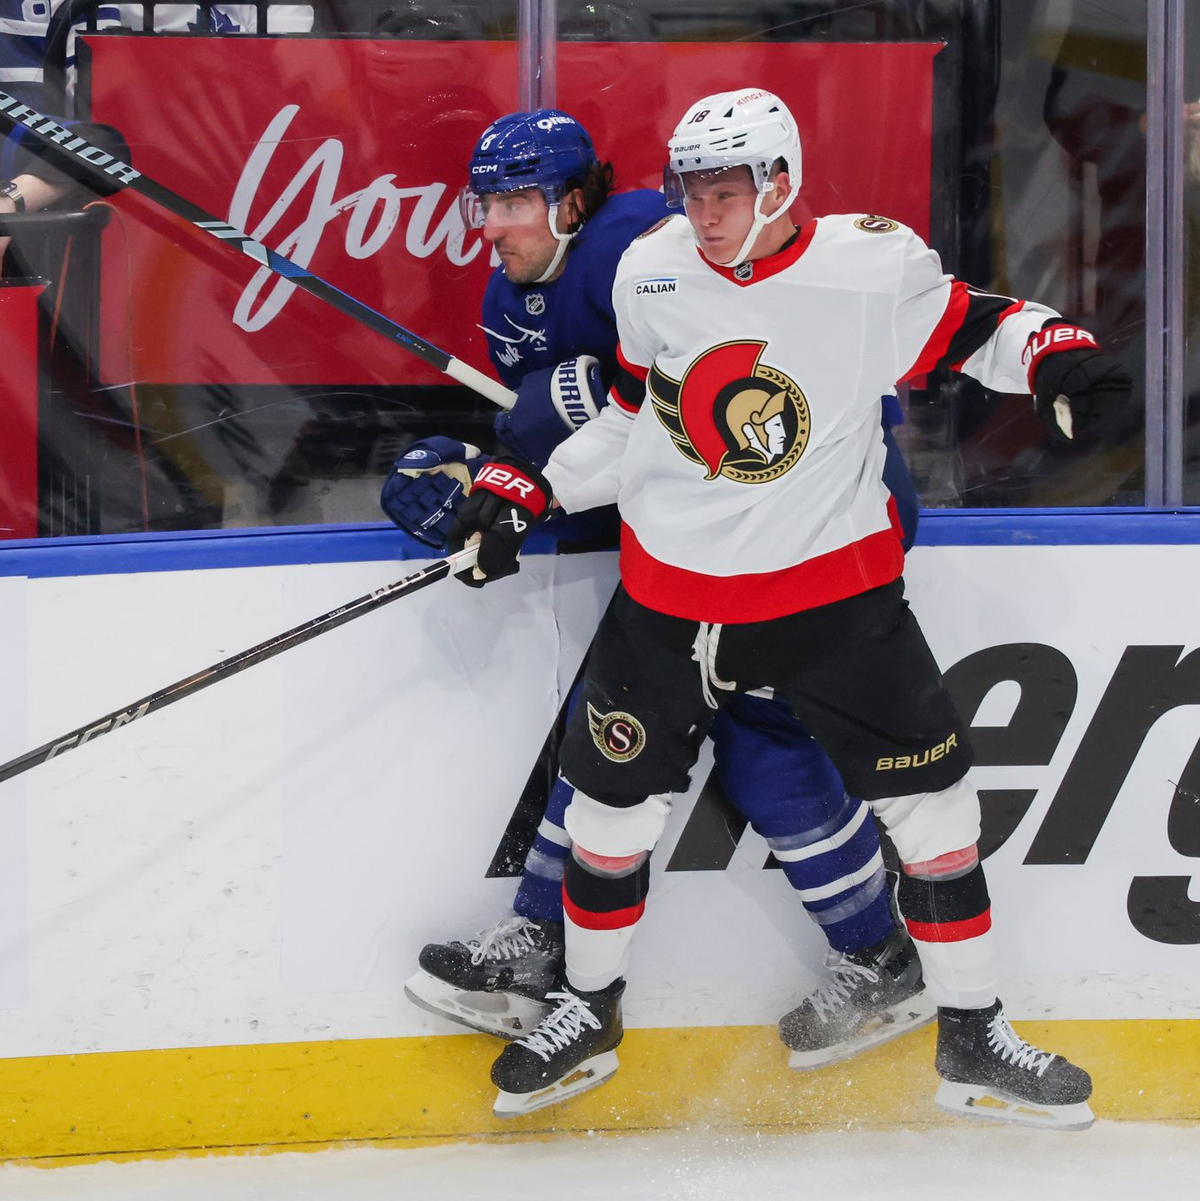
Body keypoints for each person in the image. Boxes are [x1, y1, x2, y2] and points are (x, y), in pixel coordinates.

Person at [450, 88, 1130, 1128]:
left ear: (781, 183)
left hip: (837, 600)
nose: (703, 212)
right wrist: (531, 487)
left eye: (725, 191)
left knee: (939, 820)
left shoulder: (867, 264)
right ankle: (588, 1009)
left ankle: (973, 1036)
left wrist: (1056, 355)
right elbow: (637, 416)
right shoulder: (654, 267)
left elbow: (976, 324)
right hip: (668, 602)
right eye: (690, 190)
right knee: (604, 818)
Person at [383, 108, 932, 1070]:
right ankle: (874, 950)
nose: (495, 224)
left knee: (685, 731)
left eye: (517, 200)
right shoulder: (523, 290)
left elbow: (749, 394)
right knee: (714, 738)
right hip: (701, 530)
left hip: (808, 523)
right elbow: (579, 437)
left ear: (574, 201)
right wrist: (490, 475)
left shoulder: (646, 249)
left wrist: (564, 428)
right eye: (490, 202)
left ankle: (553, 943)